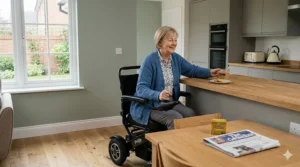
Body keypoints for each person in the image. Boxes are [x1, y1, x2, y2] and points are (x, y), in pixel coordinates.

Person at [130, 26, 224, 130]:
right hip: (149, 106)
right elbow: (141, 89)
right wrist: (158, 95)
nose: (174, 43)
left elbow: (192, 70)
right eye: (170, 40)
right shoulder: (149, 61)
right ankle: (170, 146)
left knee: (191, 114)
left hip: (169, 103)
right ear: (160, 42)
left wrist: (210, 72)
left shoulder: (175, 58)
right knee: (176, 118)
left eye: (175, 40)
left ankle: (186, 143)